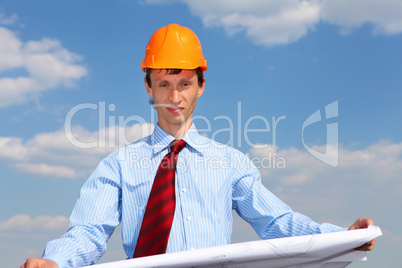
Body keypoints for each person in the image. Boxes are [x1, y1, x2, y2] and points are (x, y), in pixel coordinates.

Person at [21, 23, 376, 268]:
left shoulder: (230, 162)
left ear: (201, 86)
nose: (174, 97)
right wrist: (56, 261)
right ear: (148, 87)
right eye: (163, 85)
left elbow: (276, 221)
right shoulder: (118, 165)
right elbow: (88, 231)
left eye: (186, 84)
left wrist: (341, 237)